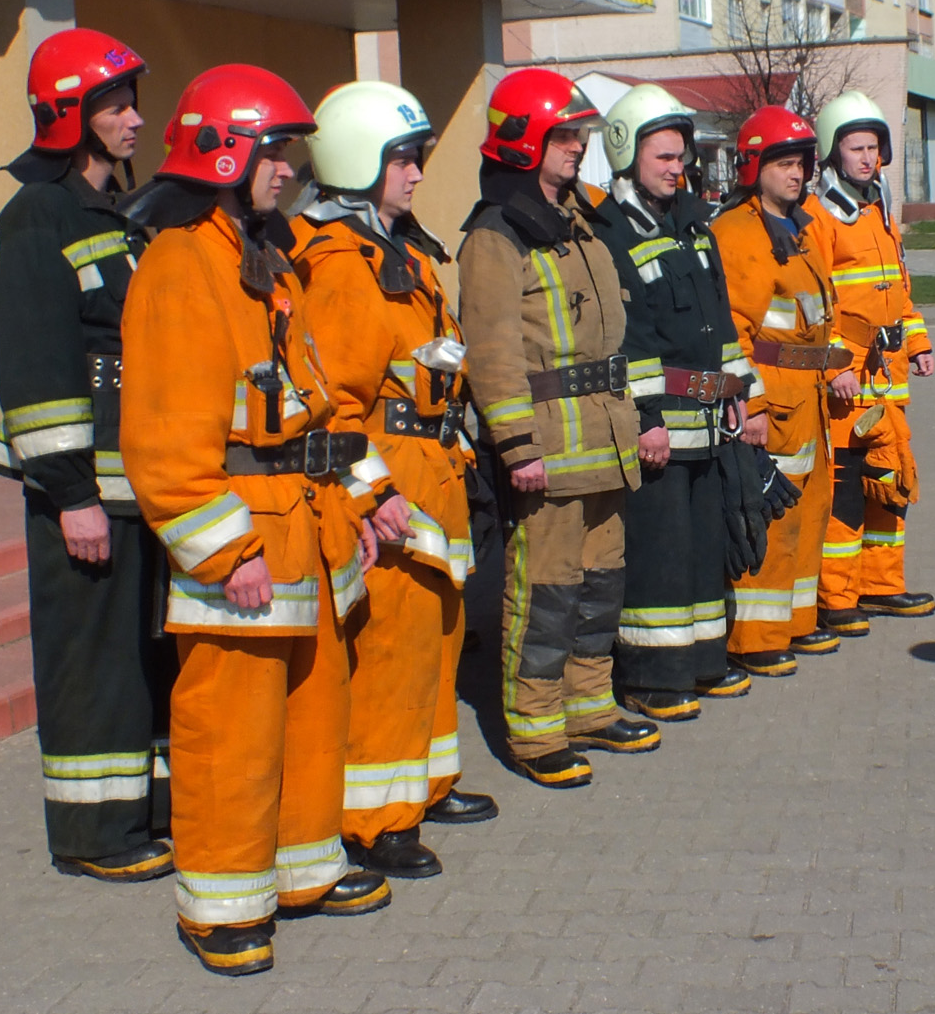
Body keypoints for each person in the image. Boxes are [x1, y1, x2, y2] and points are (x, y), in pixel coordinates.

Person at [120, 65, 389, 977]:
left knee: (314, 717)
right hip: (245, 537)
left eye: (291, 151)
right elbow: (161, 440)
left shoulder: (265, 256)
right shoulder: (179, 261)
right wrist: (222, 547)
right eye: (275, 150)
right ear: (225, 151)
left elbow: (314, 400)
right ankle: (222, 903)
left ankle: (303, 869)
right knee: (231, 731)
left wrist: (354, 500)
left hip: (301, 524)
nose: (289, 168)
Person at [292, 81, 498, 885]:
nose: (415, 173)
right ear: (358, 163)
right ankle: (377, 818)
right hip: (393, 478)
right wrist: (371, 496)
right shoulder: (341, 263)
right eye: (403, 159)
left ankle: (426, 781)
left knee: (437, 638)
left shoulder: (393, 243)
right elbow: (339, 405)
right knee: (389, 653)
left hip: (433, 467)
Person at [0, 28, 174, 883]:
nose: (136, 119)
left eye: (134, 101)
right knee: (90, 658)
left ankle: (146, 811)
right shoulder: (35, 216)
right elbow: (34, 367)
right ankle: (94, 834)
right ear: (70, 117)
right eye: (117, 106)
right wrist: (69, 494)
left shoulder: (115, 216)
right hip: (86, 489)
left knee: (140, 654)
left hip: (138, 482)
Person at [457, 68, 653, 788]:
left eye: (579, 135)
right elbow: (493, 350)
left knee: (600, 585)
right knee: (544, 593)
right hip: (548, 452)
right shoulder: (495, 235)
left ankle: (589, 704)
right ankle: (535, 731)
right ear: (522, 143)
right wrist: (516, 446)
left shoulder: (576, 222)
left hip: (604, 442)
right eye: (563, 136)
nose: (577, 148)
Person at [589, 85, 764, 719]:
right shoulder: (607, 234)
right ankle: (653, 679)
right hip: (659, 432)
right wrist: (646, 422)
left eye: (680, 157)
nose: (675, 168)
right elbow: (625, 340)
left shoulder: (694, 226)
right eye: (662, 157)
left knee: (700, 553)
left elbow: (720, 324)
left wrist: (749, 396)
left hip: (712, 424)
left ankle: (702, 663)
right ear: (626, 155)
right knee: (659, 561)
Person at [710, 106, 848, 675]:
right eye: (784, 163)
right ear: (754, 166)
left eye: (802, 164)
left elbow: (821, 314)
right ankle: (757, 639)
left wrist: (838, 364)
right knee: (767, 518)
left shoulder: (804, 228)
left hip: (809, 397)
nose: (796, 174)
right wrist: (754, 406)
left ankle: (795, 622)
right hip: (775, 399)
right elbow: (734, 333)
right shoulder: (739, 234)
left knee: (808, 514)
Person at [811, 91, 935, 635]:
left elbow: (899, 292)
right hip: (847, 381)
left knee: (891, 481)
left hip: (888, 378)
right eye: (856, 147)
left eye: (874, 148)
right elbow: (813, 305)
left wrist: (920, 342)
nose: (867, 158)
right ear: (832, 152)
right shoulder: (820, 216)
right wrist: (834, 364)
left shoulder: (879, 209)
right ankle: (838, 598)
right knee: (846, 489)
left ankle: (883, 587)